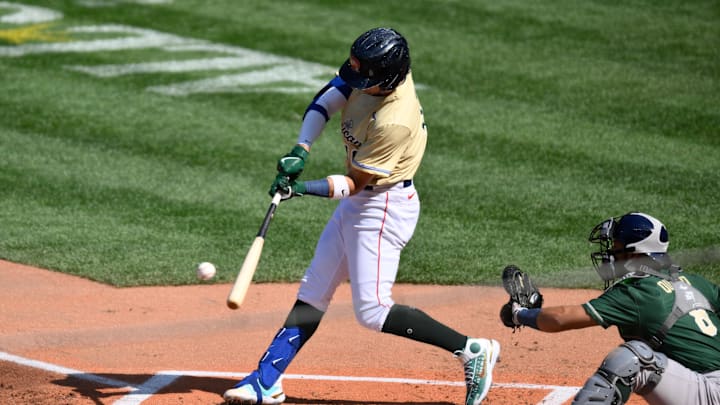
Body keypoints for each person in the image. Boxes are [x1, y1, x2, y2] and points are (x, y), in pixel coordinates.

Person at [223, 27, 500, 405]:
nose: (353, 77)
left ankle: (472, 350)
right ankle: (264, 380)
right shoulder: (375, 73)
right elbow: (328, 98)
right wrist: (301, 148)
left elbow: (356, 182)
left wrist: (300, 189)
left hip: (382, 207)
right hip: (359, 203)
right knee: (314, 289)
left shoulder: (394, 119)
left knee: (372, 311)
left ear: (386, 78)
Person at [504, 212, 720, 404]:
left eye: (615, 246)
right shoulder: (695, 282)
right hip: (703, 386)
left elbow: (562, 318)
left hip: (711, 393)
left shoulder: (637, 291)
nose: (609, 253)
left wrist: (519, 314)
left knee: (634, 359)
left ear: (633, 254)